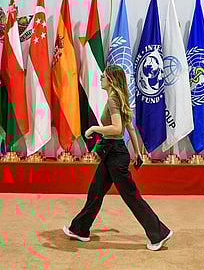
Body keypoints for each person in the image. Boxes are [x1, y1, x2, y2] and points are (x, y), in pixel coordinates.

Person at [63, 64, 173, 251]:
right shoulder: (119, 98)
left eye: (104, 76)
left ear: (111, 81)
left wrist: (94, 129)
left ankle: (159, 233)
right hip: (111, 153)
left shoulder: (114, 101)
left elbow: (117, 129)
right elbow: (130, 128)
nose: (101, 78)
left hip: (115, 154)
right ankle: (80, 229)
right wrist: (137, 152)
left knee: (131, 196)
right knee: (95, 191)